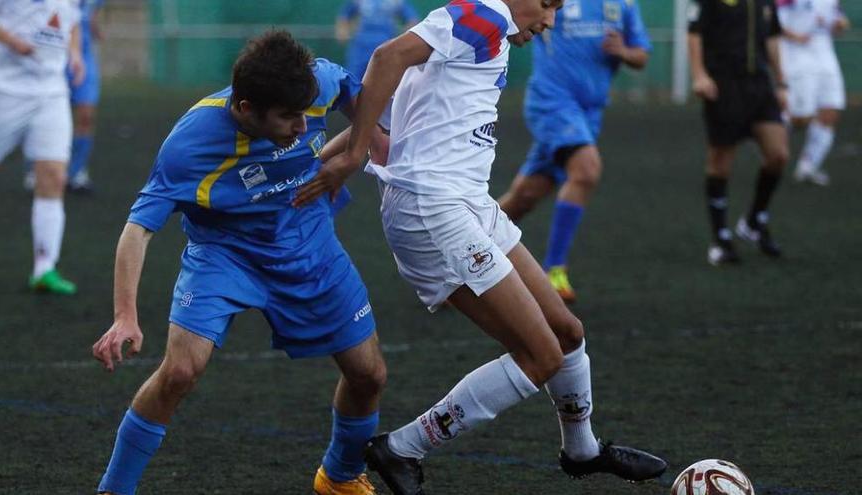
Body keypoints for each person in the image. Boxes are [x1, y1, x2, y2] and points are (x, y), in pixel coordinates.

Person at [294, 1, 667, 493]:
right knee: (541, 355)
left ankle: (582, 450)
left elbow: (397, 105)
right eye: (550, 4)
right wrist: (356, 152)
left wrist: (330, 157)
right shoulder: (482, 15)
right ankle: (401, 448)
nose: (551, 20)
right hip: (433, 209)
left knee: (567, 333)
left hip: (469, 201)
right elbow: (386, 57)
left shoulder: (486, 31)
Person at [91, 31, 390, 495]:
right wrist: (124, 317)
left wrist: (357, 151)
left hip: (307, 242)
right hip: (224, 253)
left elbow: (364, 98)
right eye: (287, 118)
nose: (300, 125)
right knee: (180, 371)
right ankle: (114, 488)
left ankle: (340, 475)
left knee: (369, 374)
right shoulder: (189, 146)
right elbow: (138, 229)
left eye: (303, 113)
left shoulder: (316, 84)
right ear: (246, 109)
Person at [497, 0, 651, 303]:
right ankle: (554, 271)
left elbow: (641, 55)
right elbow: (519, 17)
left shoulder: (624, 5)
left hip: (589, 114)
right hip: (551, 103)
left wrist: (624, 52)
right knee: (586, 170)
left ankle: (458, 260)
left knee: (525, 197)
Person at [0, 0, 85, 294]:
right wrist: (14, 42)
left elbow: (73, 20)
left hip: (52, 92)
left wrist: (75, 54)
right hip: (3, 92)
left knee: (54, 175)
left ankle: (44, 268)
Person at [688, 0, 790, 266]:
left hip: (760, 84)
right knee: (721, 161)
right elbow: (694, 32)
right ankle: (720, 240)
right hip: (724, 83)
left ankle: (754, 221)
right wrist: (699, 75)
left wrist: (781, 82)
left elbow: (772, 37)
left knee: (778, 154)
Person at [778, 0, 850, 187]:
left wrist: (839, 24)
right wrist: (793, 36)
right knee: (800, 118)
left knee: (832, 109)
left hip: (825, 56)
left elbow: (839, 20)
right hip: (797, 58)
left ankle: (808, 165)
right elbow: (770, 21)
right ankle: (771, 139)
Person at [67, 0, 106, 192]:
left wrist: (95, 30)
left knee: (86, 116)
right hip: (55, 58)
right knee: (50, 116)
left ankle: (78, 171)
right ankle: (36, 167)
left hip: (85, 58)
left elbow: (91, 16)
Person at [336, 0, 419, 79]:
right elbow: (345, 16)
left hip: (387, 47)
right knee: (353, 79)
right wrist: (342, 31)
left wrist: (403, 40)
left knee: (385, 81)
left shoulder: (396, 1)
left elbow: (412, 20)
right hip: (360, 48)